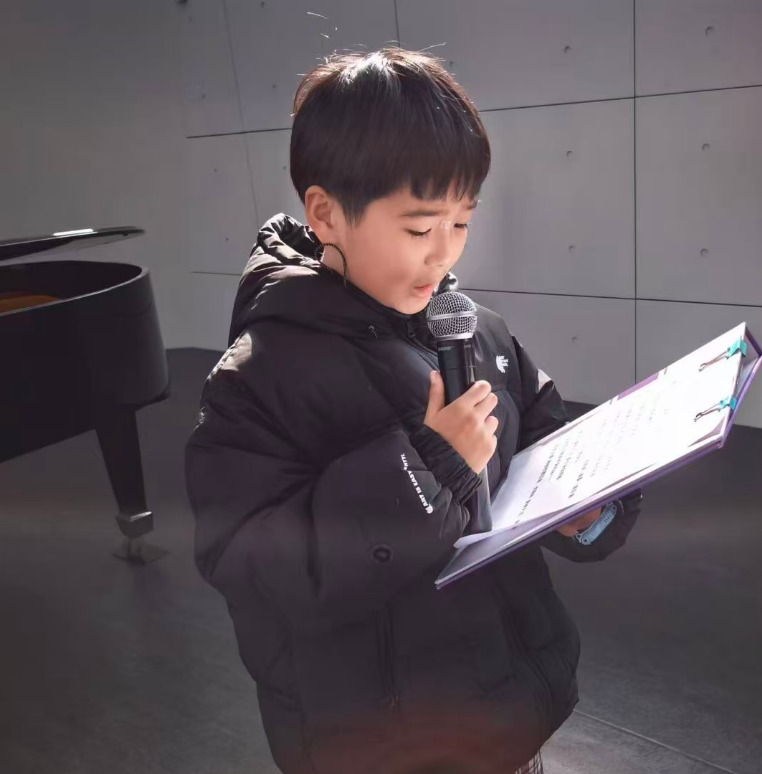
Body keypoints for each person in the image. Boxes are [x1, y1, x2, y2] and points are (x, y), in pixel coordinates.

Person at [184, 47, 641, 774]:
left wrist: (590, 509)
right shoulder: (260, 378)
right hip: (387, 742)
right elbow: (250, 565)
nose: (444, 255)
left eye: (462, 223)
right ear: (326, 213)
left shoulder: (478, 330)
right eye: (421, 229)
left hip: (508, 706)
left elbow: (544, 442)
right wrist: (432, 462)